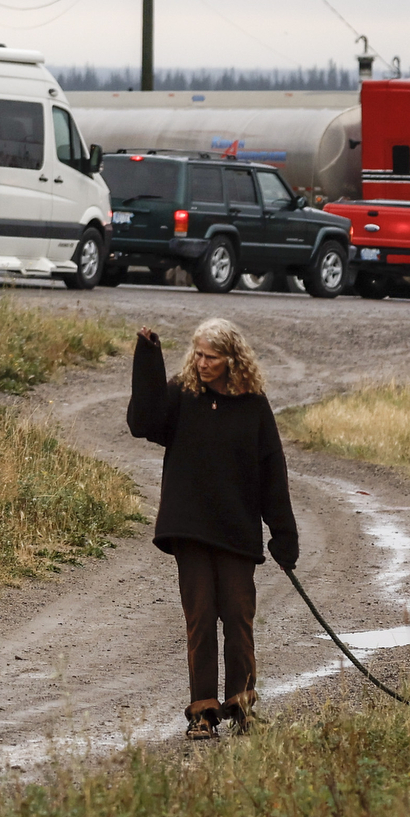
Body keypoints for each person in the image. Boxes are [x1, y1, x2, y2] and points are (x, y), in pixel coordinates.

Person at [126, 317, 298, 740]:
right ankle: (202, 712)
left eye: (212, 357)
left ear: (232, 359)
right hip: (190, 528)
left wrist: (283, 532)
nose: (202, 363)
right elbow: (142, 422)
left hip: (237, 530)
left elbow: (272, 471)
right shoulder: (182, 395)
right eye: (198, 354)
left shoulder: (254, 405)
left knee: (238, 618)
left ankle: (242, 705)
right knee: (200, 619)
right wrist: (148, 359)